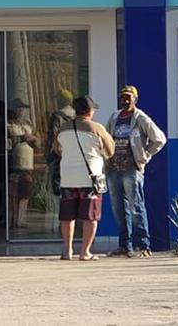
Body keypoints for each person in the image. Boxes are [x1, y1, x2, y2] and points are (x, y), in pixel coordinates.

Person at [105, 85, 168, 258]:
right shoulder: (114, 117)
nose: (125, 100)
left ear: (135, 99)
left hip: (132, 170)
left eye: (129, 97)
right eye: (123, 97)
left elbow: (159, 139)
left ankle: (143, 245)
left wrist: (145, 155)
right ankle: (124, 245)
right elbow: (106, 138)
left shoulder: (141, 118)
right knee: (119, 209)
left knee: (136, 207)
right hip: (113, 169)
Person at [54, 95, 114, 261]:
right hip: (90, 179)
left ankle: (67, 250)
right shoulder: (97, 128)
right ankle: (85, 252)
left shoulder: (63, 128)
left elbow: (57, 149)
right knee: (90, 217)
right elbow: (110, 151)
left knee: (67, 216)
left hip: (67, 178)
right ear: (90, 111)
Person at [6, 105, 38, 229]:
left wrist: (33, 139)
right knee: (13, 194)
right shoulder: (9, 126)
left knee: (25, 194)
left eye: (23, 109)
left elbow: (37, 141)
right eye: (18, 108)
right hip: (14, 164)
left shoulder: (28, 125)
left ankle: (20, 220)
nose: (20, 111)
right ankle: (13, 220)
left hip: (27, 164)